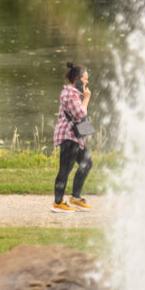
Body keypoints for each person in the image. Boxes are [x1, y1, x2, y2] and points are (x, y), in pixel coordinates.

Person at [52, 62, 93, 212]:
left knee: (86, 162)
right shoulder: (70, 93)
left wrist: (83, 97)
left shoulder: (74, 93)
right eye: (85, 78)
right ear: (77, 79)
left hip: (75, 136)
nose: (87, 81)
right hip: (68, 136)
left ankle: (75, 197)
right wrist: (87, 98)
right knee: (65, 169)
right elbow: (80, 113)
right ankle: (58, 203)